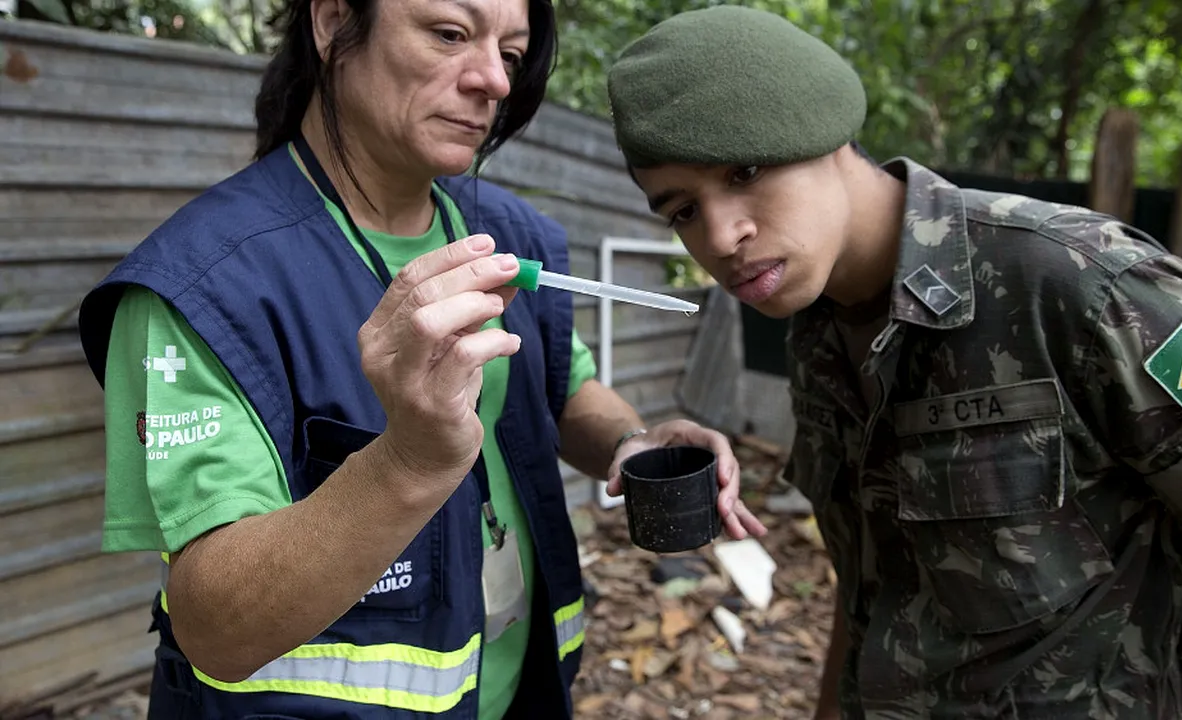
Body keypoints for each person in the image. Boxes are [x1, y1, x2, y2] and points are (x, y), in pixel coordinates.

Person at [75, 1, 766, 718]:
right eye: (449, 33)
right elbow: (215, 624)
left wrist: (634, 440)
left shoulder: (504, 236)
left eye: (513, 55)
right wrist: (407, 460)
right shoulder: (204, 287)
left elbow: (563, 388)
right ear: (333, 21)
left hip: (516, 692)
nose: (495, 80)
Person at [605, 6, 1182, 719]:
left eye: (745, 171)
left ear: (826, 131)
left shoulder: (1082, 281)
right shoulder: (819, 330)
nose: (721, 234)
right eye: (681, 211)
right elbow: (877, 588)